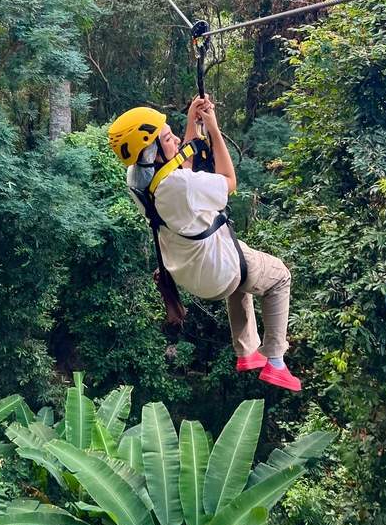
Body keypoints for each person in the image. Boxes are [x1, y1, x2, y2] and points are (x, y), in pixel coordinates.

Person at [108, 98, 301, 391]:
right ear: (153, 152)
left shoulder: (138, 181)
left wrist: (191, 124)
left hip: (192, 274)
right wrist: (214, 129)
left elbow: (180, 166)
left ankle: (247, 351)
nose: (174, 139)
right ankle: (275, 359)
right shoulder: (181, 187)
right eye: (167, 137)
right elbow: (228, 180)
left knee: (243, 274)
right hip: (219, 271)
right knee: (279, 277)